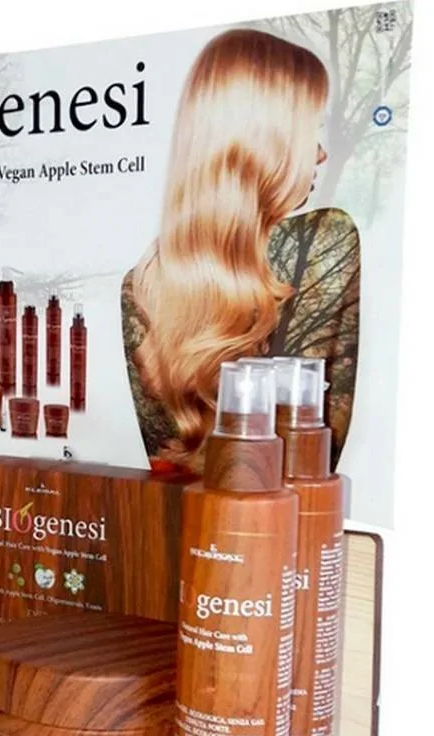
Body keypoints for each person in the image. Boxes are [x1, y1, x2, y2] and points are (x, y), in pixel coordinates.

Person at [123, 28, 360, 473]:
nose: (321, 154)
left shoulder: (143, 287)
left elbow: (167, 464)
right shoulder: (326, 239)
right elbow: (315, 459)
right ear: (259, 143)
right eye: (309, 131)